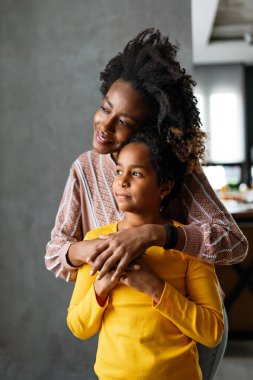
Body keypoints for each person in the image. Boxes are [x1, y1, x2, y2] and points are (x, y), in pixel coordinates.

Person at [45, 28, 246, 378]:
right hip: (124, 340)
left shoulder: (175, 169)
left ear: (145, 130)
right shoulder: (84, 169)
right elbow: (56, 253)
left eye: (123, 122)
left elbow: (233, 242)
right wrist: (99, 250)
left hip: (187, 328)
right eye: (105, 108)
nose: (105, 126)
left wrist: (156, 235)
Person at [67, 130, 224, 380]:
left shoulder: (188, 243)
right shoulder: (96, 242)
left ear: (164, 187)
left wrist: (155, 287)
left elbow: (212, 331)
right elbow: (78, 326)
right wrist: (101, 287)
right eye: (119, 171)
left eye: (136, 173)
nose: (122, 181)